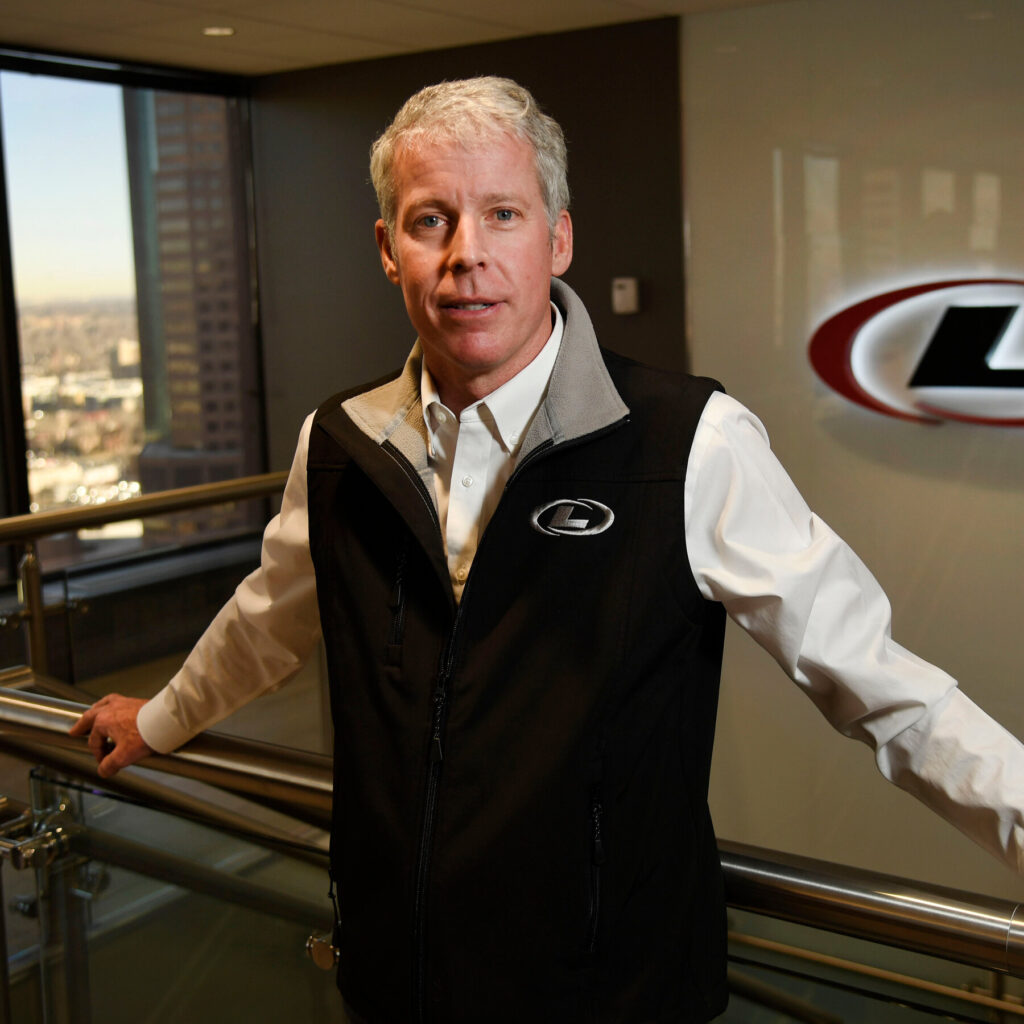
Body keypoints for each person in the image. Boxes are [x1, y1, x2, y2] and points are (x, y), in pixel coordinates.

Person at [71, 77, 1024, 1023]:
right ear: (388, 251)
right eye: (431, 221)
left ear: (558, 239)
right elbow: (267, 620)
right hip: (396, 987)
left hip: (611, 999)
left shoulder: (688, 442)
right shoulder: (340, 446)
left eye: (503, 214)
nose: (467, 255)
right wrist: (158, 719)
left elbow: (880, 685)